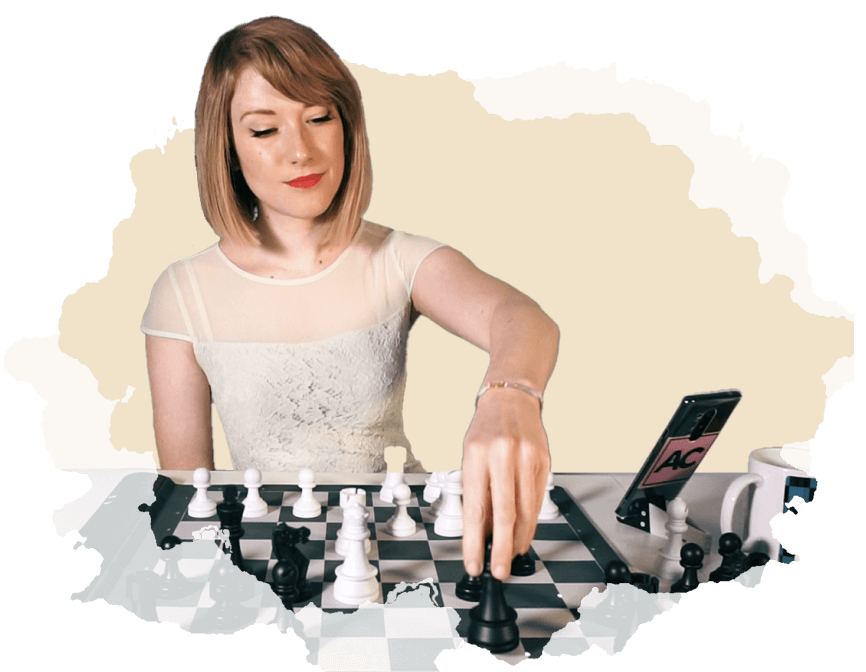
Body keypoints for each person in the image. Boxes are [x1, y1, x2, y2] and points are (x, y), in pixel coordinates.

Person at [141, 16, 559, 582]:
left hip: (401, 545)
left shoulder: (399, 258)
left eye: (319, 118)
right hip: (272, 560)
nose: (301, 151)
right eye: (264, 130)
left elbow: (522, 318)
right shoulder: (182, 291)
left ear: (347, 125)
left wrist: (509, 396)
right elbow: (186, 496)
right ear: (227, 145)